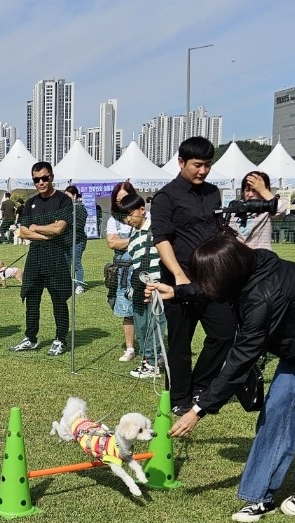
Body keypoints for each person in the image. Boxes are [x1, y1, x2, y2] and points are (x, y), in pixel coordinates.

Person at [157, 233, 295, 521]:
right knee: (276, 412)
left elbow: (239, 361)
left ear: (226, 273)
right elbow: (217, 291)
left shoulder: (265, 295)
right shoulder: (248, 270)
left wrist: (198, 410)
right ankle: (259, 497)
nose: (202, 283)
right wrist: (180, 292)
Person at [150, 136, 235, 416]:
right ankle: (179, 397)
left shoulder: (213, 193)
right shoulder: (165, 197)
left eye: (207, 165)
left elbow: (219, 230)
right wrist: (178, 276)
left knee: (223, 333)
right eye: (197, 165)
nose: (203, 171)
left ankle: (201, 386)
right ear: (181, 162)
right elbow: (161, 239)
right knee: (180, 343)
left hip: (212, 280)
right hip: (178, 283)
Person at [10, 161, 73, 356]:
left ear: (52, 177)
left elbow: (59, 228)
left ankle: (60, 339)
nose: (41, 182)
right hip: (35, 256)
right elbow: (22, 232)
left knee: (59, 300)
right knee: (31, 298)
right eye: (36, 180)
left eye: (45, 178)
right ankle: (30, 337)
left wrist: (36, 228)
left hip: (56, 256)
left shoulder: (63, 200)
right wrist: (45, 232)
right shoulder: (30, 202)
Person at [117, 193, 166, 379]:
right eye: (125, 217)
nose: (128, 219)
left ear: (142, 210)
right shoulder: (134, 236)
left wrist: (158, 284)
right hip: (138, 287)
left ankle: (152, 363)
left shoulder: (156, 230)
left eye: (131, 214)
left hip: (156, 288)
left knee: (155, 324)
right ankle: (150, 358)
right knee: (141, 324)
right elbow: (136, 264)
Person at [106, 181, 139, 363]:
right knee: (127, 310)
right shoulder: (113, 220)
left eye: (125, 198)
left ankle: (149, 346)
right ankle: (130, 348)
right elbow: (112, 243)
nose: (121, 203)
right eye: (118, 200)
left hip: (141, 268)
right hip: (123, 271)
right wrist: (136, 239)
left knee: (145, 308)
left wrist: (123, 241)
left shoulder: (143, 216)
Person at [236, 171, 280, 249]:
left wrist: (263, 190)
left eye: (255, 190)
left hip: (261, 258)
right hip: (238, 258)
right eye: (247, 190)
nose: (250, 194)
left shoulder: (267, 211)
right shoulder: (235, 209)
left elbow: (280, 210)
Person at [65, 185, 89, 295]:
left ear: (74, 195)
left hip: (78, 240)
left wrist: (65, 225)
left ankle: (80, 285)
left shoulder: (79, 207)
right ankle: (68, 284)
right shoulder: (65, 207)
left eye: (68, 195)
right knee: (66, 264)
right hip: (65, 241)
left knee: (76, 264)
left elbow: (79, 225)